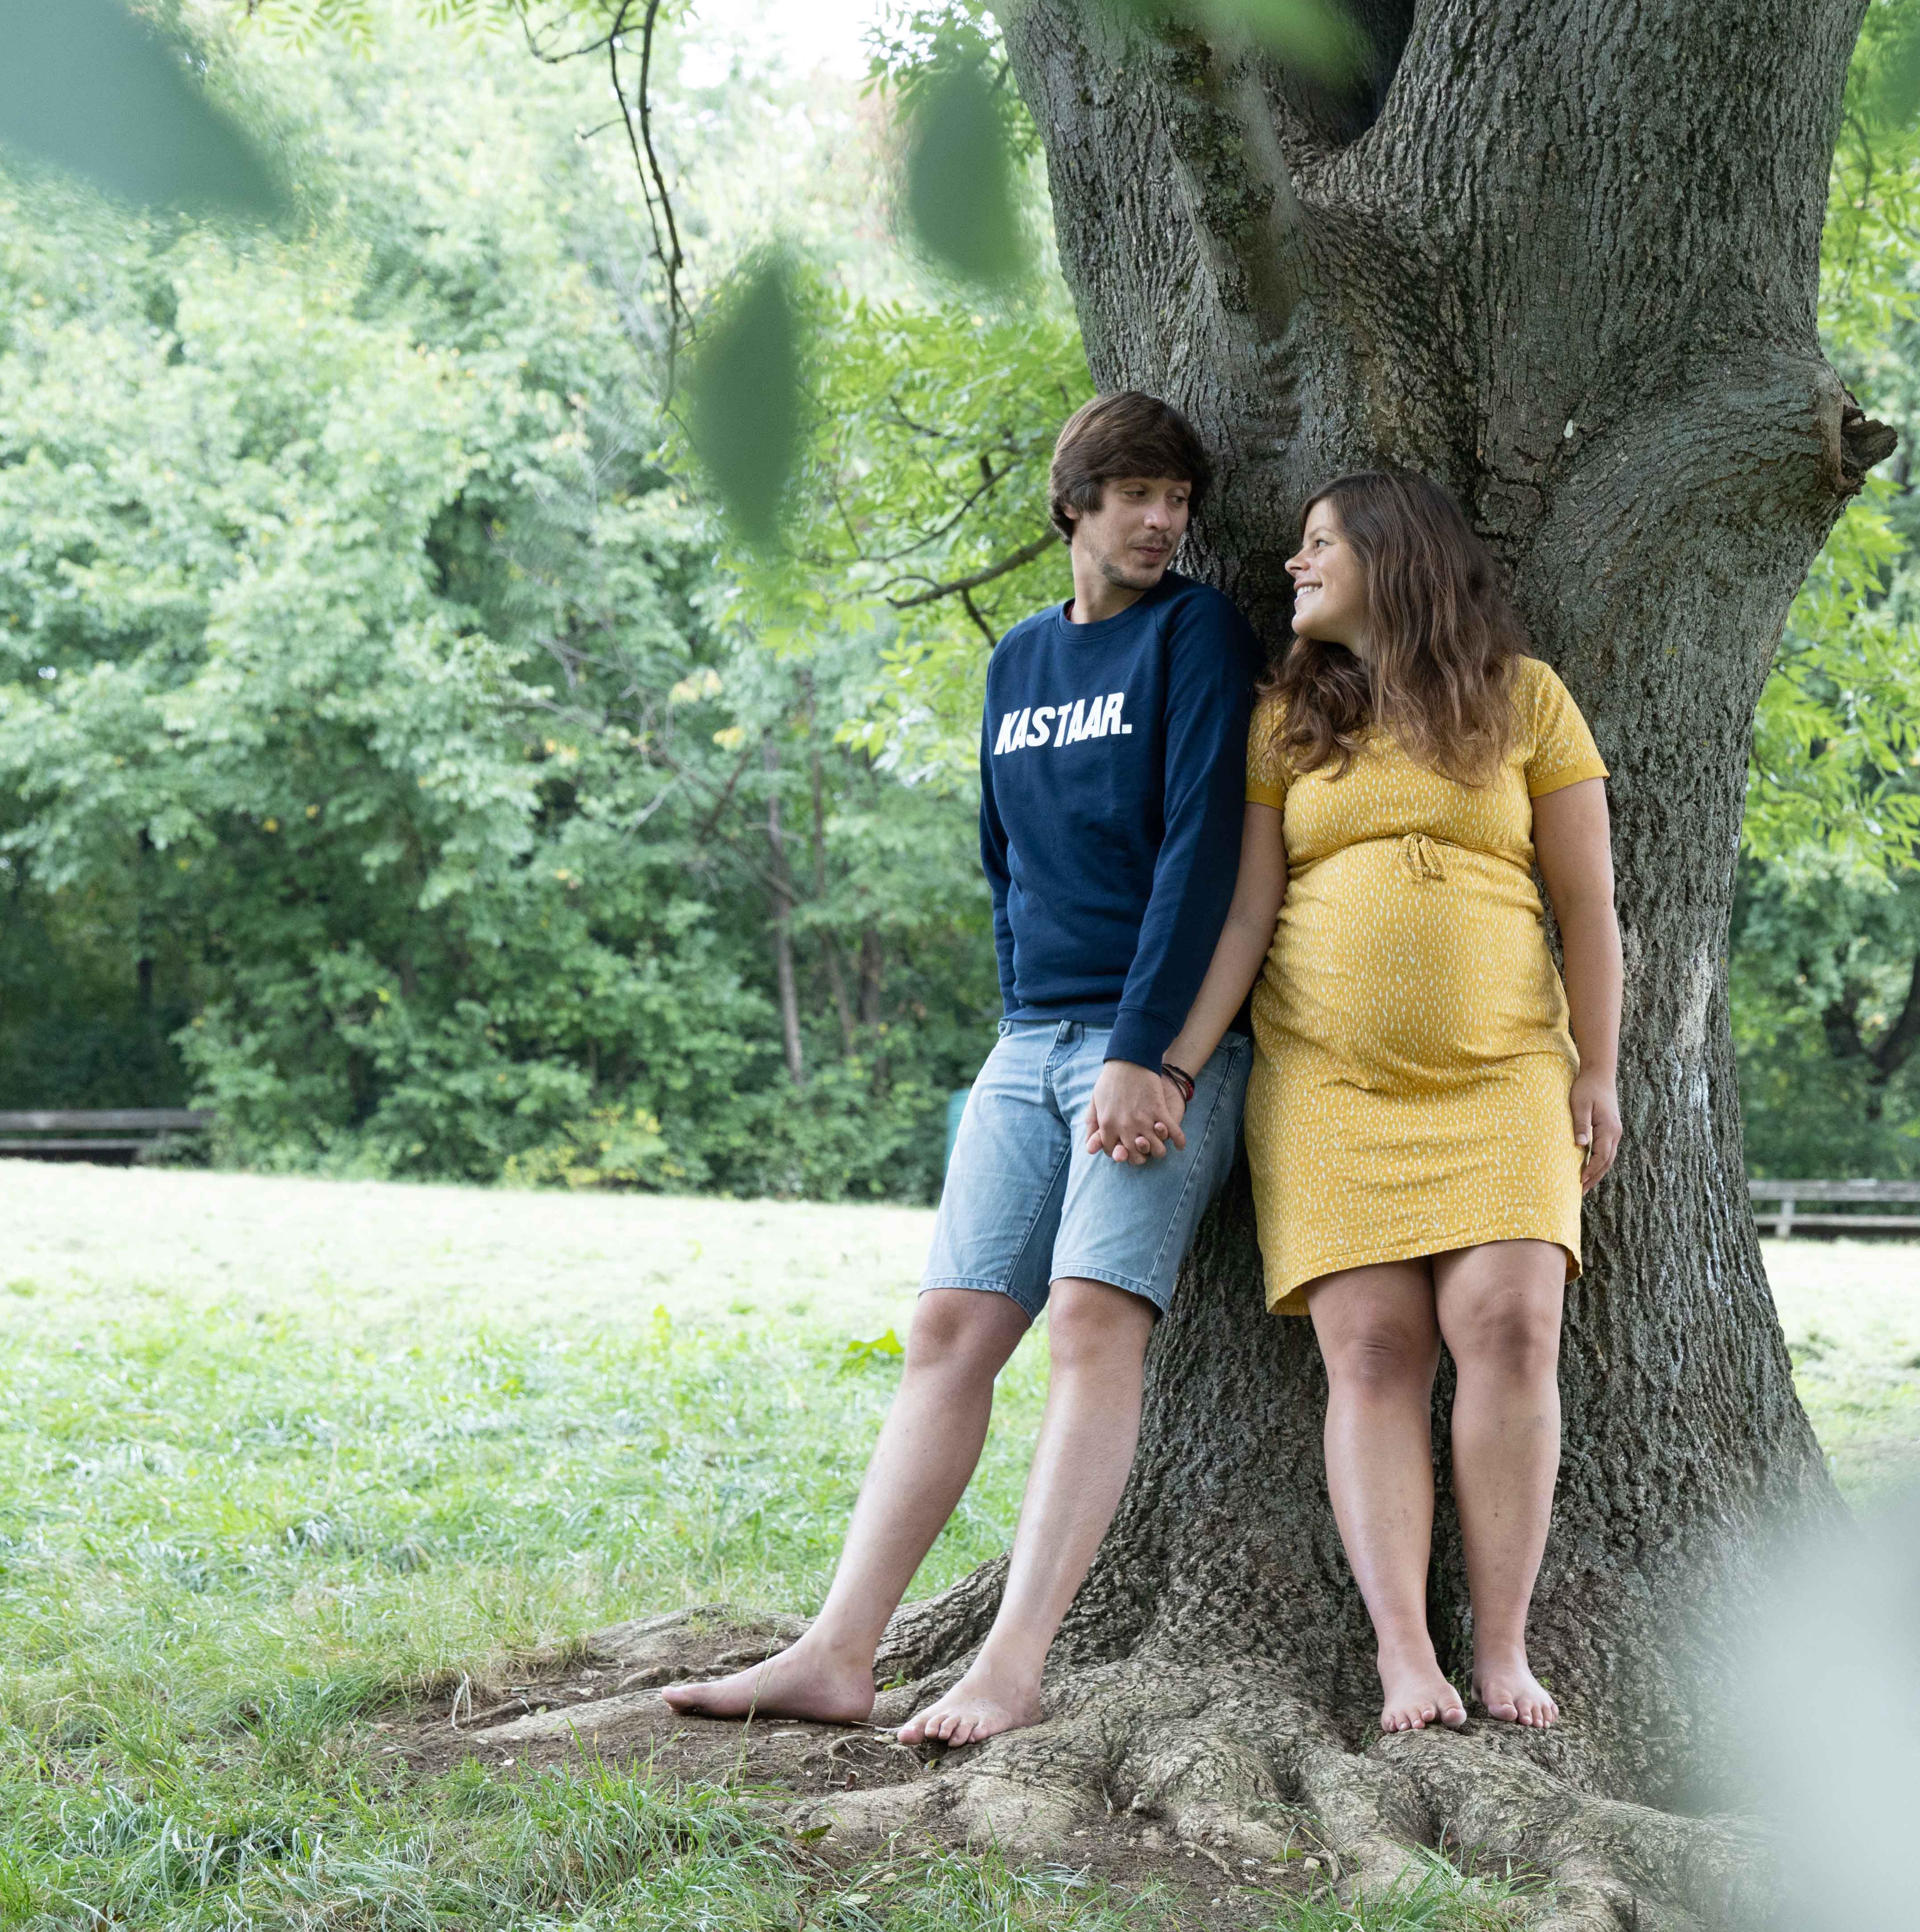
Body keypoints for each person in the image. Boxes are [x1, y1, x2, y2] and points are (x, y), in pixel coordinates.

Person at [665, 392, 1262, 1746]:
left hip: (1158, 1049)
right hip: (1030, 1039)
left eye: (1178, 499)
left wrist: (1149, 1056)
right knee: (948, 1332)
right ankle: (836, 1652)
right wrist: (1025, 1016)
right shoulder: (1020, 666)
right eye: (1136, 497)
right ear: (1074, 506)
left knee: (1095, 1325)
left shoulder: (1198, 636)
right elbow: (1004, 864)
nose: (1163, 522)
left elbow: (1199, 858)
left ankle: (1013, 1663)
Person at [1157, 469, 1624, 1735]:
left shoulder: (1527, 701)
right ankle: (1405, 1655)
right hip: (1331, 1086)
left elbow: (1589, 907)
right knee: (1372, 1352)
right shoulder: (1284, 723)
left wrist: (1600, 1068)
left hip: (1503, 1077)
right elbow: (1249, 914)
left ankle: (1506, 1651)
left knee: (1515, 1329)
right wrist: (1178, 1064)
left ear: (1394, 557)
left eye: (1322, 546)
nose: (1297, 566)